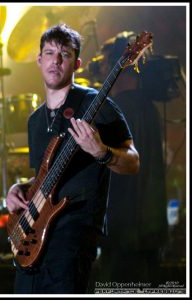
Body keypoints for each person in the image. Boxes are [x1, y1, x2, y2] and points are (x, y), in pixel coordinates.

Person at [5, 24, 139, 294]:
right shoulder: (34, 120)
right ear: (39, 59)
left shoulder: (95, 104)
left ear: (76, 63)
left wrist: (101, 151)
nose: (56, 60)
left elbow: (133, 161)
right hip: (35, 234)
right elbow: (43, 177)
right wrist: (18, 188)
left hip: (74, 234)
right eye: (50, 52)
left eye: (64, 54)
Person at [90, 31, 168, 287]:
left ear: (118, 66)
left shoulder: (113, 110)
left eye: (104, 64)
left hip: (122, 234)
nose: (101, 71)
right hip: (151, 232)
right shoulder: (150, 109)